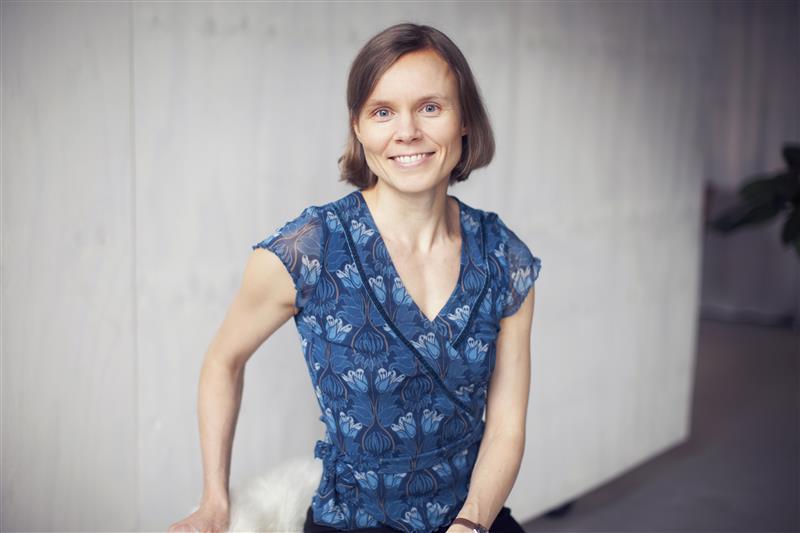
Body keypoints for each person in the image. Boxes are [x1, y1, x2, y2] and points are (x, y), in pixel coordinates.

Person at [169, 22, 541, 533]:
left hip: (473, 519)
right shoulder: (310, 249)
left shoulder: (504, 257)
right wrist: (214, 498)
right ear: (359, 128)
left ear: (464, 121)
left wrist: (471, 523)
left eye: (430, 107)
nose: (407, 131)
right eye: (382, 112)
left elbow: (505, 428)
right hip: (351, 523)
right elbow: (222, 361)